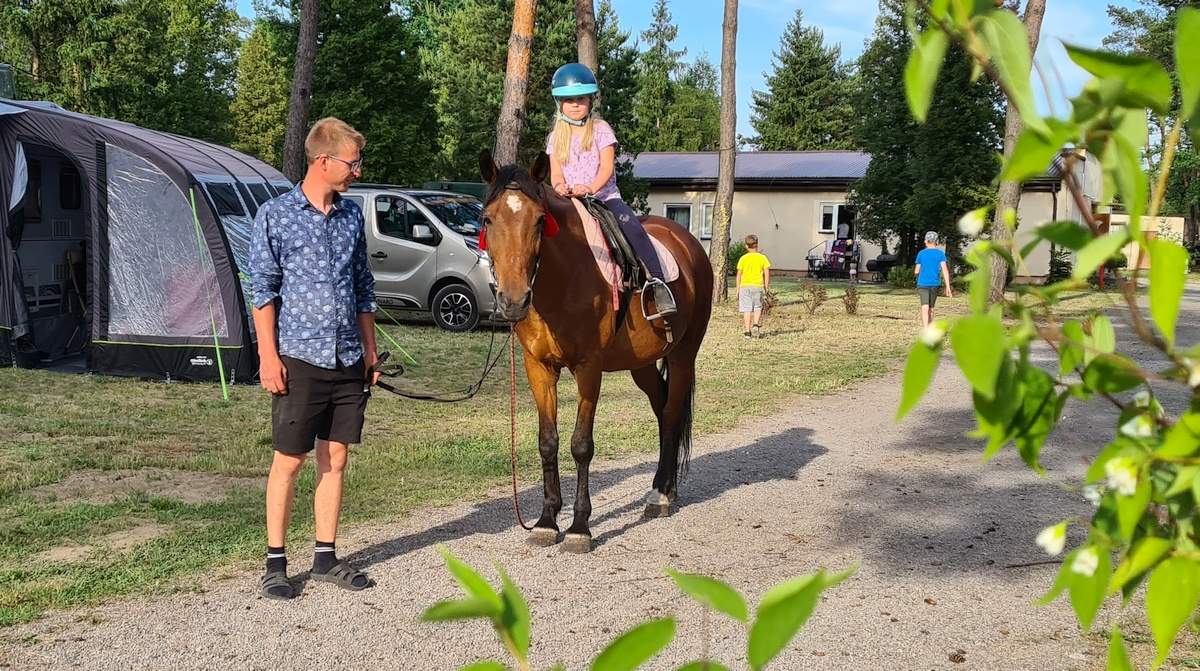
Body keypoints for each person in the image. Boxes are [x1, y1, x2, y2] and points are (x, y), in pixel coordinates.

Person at [249, 117, 380, 600]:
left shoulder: (350, 217)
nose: (358, 171)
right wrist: (268, 355)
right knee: (290, 460)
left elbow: (363, 287)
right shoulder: (276, 215)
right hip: (299, 356)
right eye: (353, 162)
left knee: (336, 456)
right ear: (323, 161)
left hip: (347, 356)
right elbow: (261, 290)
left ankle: (326, 558)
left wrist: (369, 351)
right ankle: (276, 563)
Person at [545, 62, 676, 320]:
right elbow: (556, 173)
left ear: (590, 101)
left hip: (603, 199)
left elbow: (606, 168)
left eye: (580, 99)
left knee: (632, 228)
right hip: (569, 202)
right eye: (568, 99)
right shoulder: (555, 137)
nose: (575, 104)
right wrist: (560, 187)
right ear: (559, 103)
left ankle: (657, 283)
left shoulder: (601, 129)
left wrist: (589, 188)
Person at [913, 230, 953, 328]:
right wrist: (948, 287)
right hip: (935, 284)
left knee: (924, 307)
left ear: (926, 241)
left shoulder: (921, 254)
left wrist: (918, 276)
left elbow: (916, 271)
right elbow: (945, 271)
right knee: (931, 308)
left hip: (922, 284)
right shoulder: (940, 254)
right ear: (936, 241)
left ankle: (926, 330)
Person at [736, 234, 771, 339]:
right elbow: (767, 273)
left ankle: (747, 332)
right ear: (757, 245)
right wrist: (766, 286)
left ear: (746, 246)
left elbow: (739, 274)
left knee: (747, 309)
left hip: (745, 286)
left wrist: (738, 289)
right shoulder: (762, 258)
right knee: (757, 306)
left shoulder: (743, 259)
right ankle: (755, 324)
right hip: (758, 286)